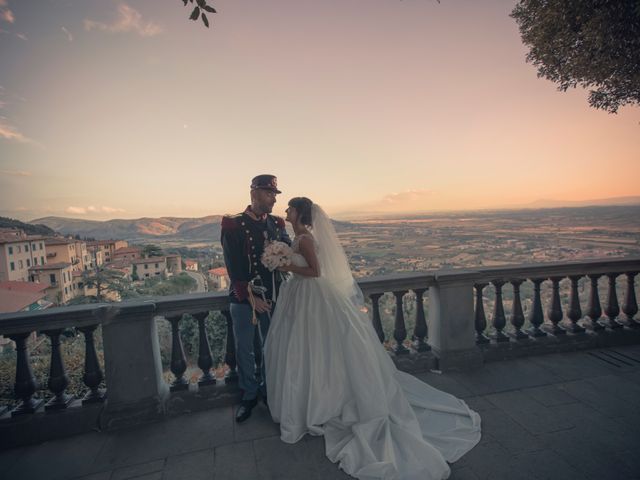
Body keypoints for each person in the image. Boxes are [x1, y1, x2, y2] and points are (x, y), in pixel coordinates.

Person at [265, 197, 481, 480]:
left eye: (290, 208)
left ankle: (319, 403)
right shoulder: (297, 237)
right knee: (308, 350)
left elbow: (316, 272)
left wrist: (285, 266)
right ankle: (312, 400)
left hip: (311, 296)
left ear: (299, 213)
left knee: (314, 349)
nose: (286, 211)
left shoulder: (304, 238)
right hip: (301, 298)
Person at [220, 174, 291, 423]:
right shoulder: (233, 224)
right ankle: (249, 395)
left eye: (274, 194)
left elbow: (287, 253)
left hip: (272, 296)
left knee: (271, 347)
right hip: (244, 299)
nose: (273, 198)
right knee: (245, 350)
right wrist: (250, 298)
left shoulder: (277, 223)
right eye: (269, 193)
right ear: (254, 194)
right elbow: (233, 266)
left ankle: (271, 392)